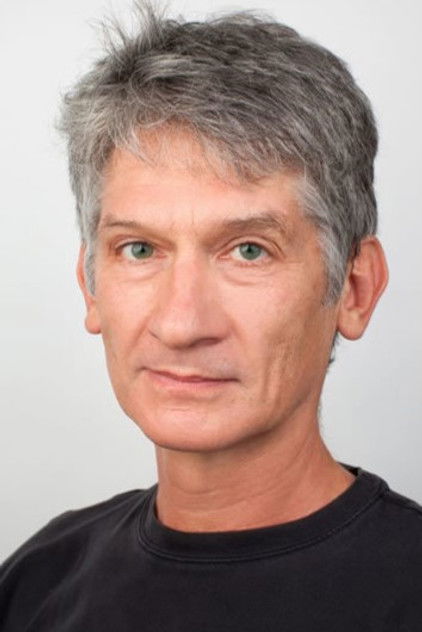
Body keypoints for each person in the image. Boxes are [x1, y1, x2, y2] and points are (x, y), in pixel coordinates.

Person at [1, 4, 421, 630]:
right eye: (139, 249)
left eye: (249, 250)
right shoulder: (36, 581)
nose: (181, 324)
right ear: (90, 286)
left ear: (355, 289)